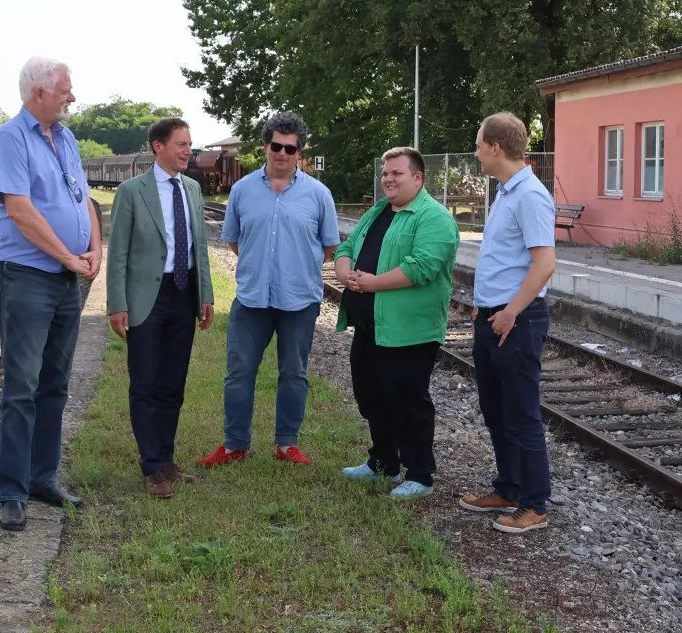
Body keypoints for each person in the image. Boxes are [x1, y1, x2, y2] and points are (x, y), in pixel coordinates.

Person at [0, 56, 99, 531]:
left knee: (55, 381)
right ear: (39, 94)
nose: (72, 97)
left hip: (65, 278)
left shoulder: (67, 138)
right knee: (22, 385)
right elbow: (20, 210)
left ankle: (42, 478)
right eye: (66, 90)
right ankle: (12, 489)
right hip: (27, 273)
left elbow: (84, 198)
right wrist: (67, 257)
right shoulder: (10, 139)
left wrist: (95, 248)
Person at [199, 112, 338, 467]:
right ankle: (235, 445)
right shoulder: (243, 190)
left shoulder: (319, 194)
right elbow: (233, 240)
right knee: (239, 371)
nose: (282, 153)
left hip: (299, 300)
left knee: (294, 373)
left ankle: (286, 444)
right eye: (276, 146)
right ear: (265, 146)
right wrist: (261, 265)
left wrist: (295, 268)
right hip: (252, 299)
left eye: (290, 148)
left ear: (299, 152)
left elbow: (328, 247)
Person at [333, 147, 460, 498]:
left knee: (407, 401)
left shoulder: (434, 217)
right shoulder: (378, 212)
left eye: (397, 173)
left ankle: (420, 475)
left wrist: (372, 283)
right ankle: (384, 464)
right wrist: (345, 274)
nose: (388, 179)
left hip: (410, 331)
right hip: (370, 326)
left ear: (417, 178)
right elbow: (347, 247)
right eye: (385, 173)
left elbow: (422, 266)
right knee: (371, 396)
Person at [457, 112, 557, 534]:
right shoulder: (505, 192)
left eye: (480, 145)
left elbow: (544, 264)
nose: (476, 153)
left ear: (496, 148)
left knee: (521, 414)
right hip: (494, 315)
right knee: (495, 410)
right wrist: (486, 305)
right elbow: (505, 260)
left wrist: (511, 310)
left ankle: (534, 503)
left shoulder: (530, 196)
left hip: (517, 320)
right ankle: (509, 488)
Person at [106, 118, 215, 499]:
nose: (188, 151)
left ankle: (167, 459)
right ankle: (151, 467)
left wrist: (206, 295)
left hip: (183, 292)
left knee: (173, 383)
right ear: (158, 146)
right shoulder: (132, 192)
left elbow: (199, 247)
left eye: (190, 144)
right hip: (145, 298)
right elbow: (117, 252)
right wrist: (117, 303)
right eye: (181, 144)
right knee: (146, 383)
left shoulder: (192, 189)